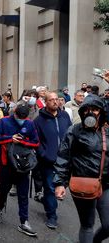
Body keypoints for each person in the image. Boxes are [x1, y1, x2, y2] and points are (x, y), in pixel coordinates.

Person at [54, 95, 109, 243]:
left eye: (95, 109)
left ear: (101, 112)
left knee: (108, 225)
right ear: (82, 111)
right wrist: (60, 183)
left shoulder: (106, 131)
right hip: (83, 184)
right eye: (87, 109)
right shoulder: (74, 131)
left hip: (105, 184)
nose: (91, 113)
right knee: (87, 225)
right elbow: (63, 158)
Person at [0, 104, 39, 237]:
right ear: (15, 114)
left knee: (23, 193)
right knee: (3, 190)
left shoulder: (29, 123)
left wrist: (24, 142)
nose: (22, 121)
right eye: (20, 118)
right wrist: (9, 139)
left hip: (23, 164)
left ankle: (24, 221)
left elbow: (36, 142)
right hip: (6, 163)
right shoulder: (4, 121)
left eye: (25, 118)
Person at [33, 92, 71, 230]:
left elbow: (70, 134)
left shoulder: (65, 116)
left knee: (61, 186)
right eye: (52, 100)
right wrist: (44, 154)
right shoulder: (38, 120)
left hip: (66, 160)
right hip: (48, 161)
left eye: (57, 99)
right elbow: (35, 141)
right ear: (46, 102)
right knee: (49, 188)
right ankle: (52, 215)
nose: (55, 102)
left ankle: (48, 203)